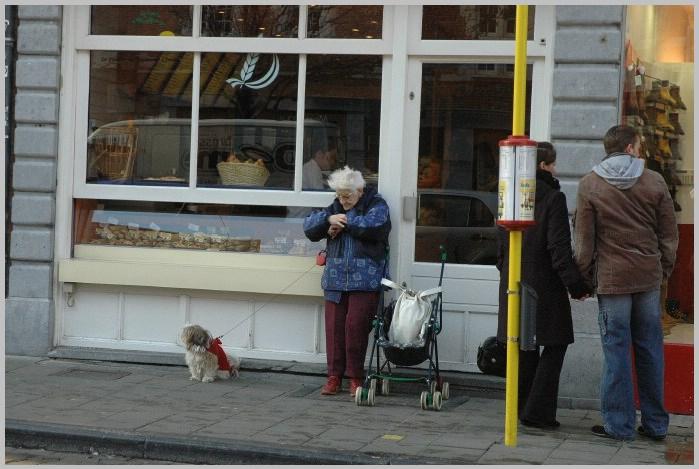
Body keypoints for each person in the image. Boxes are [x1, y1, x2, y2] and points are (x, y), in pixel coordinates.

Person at [574, 125, 678, 441]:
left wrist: (585, 278)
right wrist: (664, 271)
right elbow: (669, 235)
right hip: (647, 278)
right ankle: (656, 424)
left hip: (612, 279)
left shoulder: (590, 184)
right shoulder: (655, 181)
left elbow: (583, 243)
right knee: (650, 350)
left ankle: (619, 426)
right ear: (631, 148)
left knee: (616, 352)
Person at [496, 141, 592, 429]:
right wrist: (577, 286)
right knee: (556, 343)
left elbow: (500, 249)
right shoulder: (553, 198)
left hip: (513, 283)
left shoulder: (508, 194)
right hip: (545, 287)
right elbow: (559, 249)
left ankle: (521, 407)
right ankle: (538, 412)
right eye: (552, 164)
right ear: (542, 166)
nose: (555, 169)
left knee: (524, 347)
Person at [303, 166, 391, 397]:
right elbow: (309, 227)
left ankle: (356, 378)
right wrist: (328, 220)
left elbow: (374, 226)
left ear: (360, 190)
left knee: (356, 329)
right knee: (334, 329)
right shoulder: (335, 208)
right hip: (335, 278)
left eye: (348, 196)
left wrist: (342, 224)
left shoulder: (377, 204)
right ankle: (334, 377)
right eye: (340, 196)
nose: (343, 201)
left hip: (365, 279)